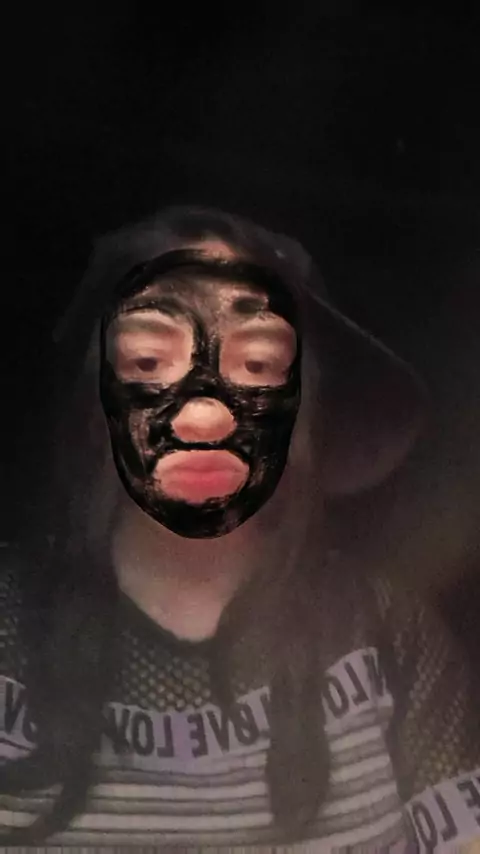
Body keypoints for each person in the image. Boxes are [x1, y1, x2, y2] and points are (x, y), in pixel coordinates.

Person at [0, 205, 478, 852]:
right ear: (98, 405)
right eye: (149, 361)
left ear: (299, 411)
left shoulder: (389, 634)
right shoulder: (7, 628)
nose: (204, 415)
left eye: (256, 365)